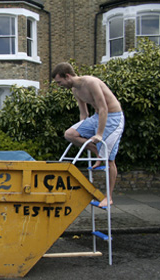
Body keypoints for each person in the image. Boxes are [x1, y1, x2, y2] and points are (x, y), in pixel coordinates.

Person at [52, 62, 124, 208]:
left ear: (67, 76)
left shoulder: (90, 82)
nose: (59, 85)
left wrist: (99, 134)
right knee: (70, 134)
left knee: (109, 160)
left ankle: (108, 197)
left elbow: (104, 108)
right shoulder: (75, 90)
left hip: (113, 118)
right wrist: (82, 129)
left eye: (59, 82)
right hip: (97, 117)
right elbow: (84, 114)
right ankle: (97, 152)